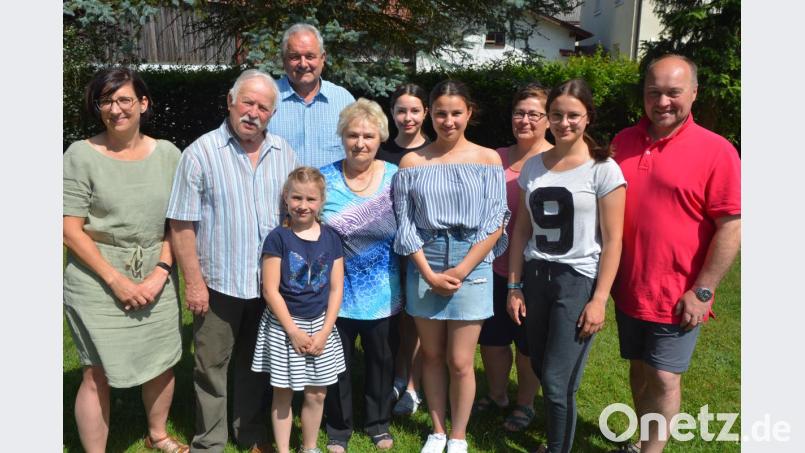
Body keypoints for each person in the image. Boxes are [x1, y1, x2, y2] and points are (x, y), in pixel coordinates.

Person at [608, 54, 741, 453]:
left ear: (694, 93)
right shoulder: (623, 142)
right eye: (653, 92)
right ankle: (640, 440)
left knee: (664, 377)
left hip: (678, 294)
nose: (662, 101)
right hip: (628, 287)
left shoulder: (717, 151)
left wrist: (703, 291)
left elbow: (731, 225)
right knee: (638, 368)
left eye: (673, 92)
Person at [167, 69, 297, 453]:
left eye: (263, 107)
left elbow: (292, 218)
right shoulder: (201, 152)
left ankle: (251, 434)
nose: (253, 112)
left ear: (272, 114)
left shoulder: (284, 153)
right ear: (230, 101)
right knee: (211, 366)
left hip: (268, 287)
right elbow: (181, 223)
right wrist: (193, 283)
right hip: (218, 282)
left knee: (256, 364)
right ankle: (209, 442)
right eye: (247, 102)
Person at [63, 67, 188, 453]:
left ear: (143, 103)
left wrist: (160, 272)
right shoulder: (80, 155)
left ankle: (158, 435)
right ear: (97, 106)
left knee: (162, 359)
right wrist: (115, 280)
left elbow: (177, 224)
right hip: (95, 277)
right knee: (95, 371)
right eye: (106, 100)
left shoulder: (169, 155)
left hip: (157, 270)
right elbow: (69, 229)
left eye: (124, 99)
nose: (115, 109)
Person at [507, 78, 626, 453]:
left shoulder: (603, 169)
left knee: (559, 383)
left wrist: (599, 299)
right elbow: (521, 231)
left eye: (573, 115)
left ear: (588, 117)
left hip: (576, 281)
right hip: (537, 277)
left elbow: (613, 240)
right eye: (556, 115)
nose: (564, 122)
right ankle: (555, 438)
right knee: (542, 367)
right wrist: (514, 286)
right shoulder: (534, 168)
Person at [393, 80, 509, 453]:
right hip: (425, 259)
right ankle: (437, 429)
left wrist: (463, 269)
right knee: (430, 354)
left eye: (456, 112)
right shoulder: (413, 162)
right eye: (440, 113)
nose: (448, 120)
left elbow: (496, 220)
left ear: (469, 113)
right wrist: (427, 272)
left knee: (460, 360)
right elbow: (405, 223)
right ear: (430, 113)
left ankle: (458, 435)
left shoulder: (488, 159)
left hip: (472, 260)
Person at [319, 98, 402, 452]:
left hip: (385, 290)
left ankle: (378, 423)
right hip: (335, 291)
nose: (360, 142)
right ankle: (338, 428)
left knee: (381, 361)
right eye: (353, 134)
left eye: (368, 135)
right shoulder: (323, 178)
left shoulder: (396, 178)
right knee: (337, 364)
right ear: (342, 136)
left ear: (380, 137)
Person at [251, 167, 347, 453]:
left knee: (317, 392)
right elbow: (270, 290)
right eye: (296, 198)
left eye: (310, 199)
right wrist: (292, 331)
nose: (303, 205)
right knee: (283, 392)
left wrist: (325, 332)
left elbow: (335, 288)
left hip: (320, 325)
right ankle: (283, 449)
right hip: (284, 327)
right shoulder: (278, 238)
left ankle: (309, 446)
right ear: (286, 198)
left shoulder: (331, 237)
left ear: (321, 201)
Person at [473, 83, 551, 432]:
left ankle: (524, 404)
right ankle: (498, 394)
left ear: (548, 120)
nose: (525, 120)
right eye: (519, 113)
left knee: (527, 343)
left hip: (536, 269)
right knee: (491, 338)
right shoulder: (494, 158)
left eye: (534, 114)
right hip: (491, 266)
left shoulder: (555, 161)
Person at [377, 83, 431, 417]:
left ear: (425, 112)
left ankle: (412, 386)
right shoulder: (380, 151)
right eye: (401, 110)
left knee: (416, 319)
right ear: (392, 112)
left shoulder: (435, 152)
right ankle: (394, 376)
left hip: (423, 249)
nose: (407, 117)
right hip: (385, 248)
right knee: (393, 318)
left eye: (414, 110)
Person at [268, 23, 356, 168]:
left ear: (323, 58)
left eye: (310, 56)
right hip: (281, 191)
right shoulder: (267, 98)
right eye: (294, 57)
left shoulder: (344, 100)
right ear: (284, 60)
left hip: (332, 191)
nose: (303, 64)